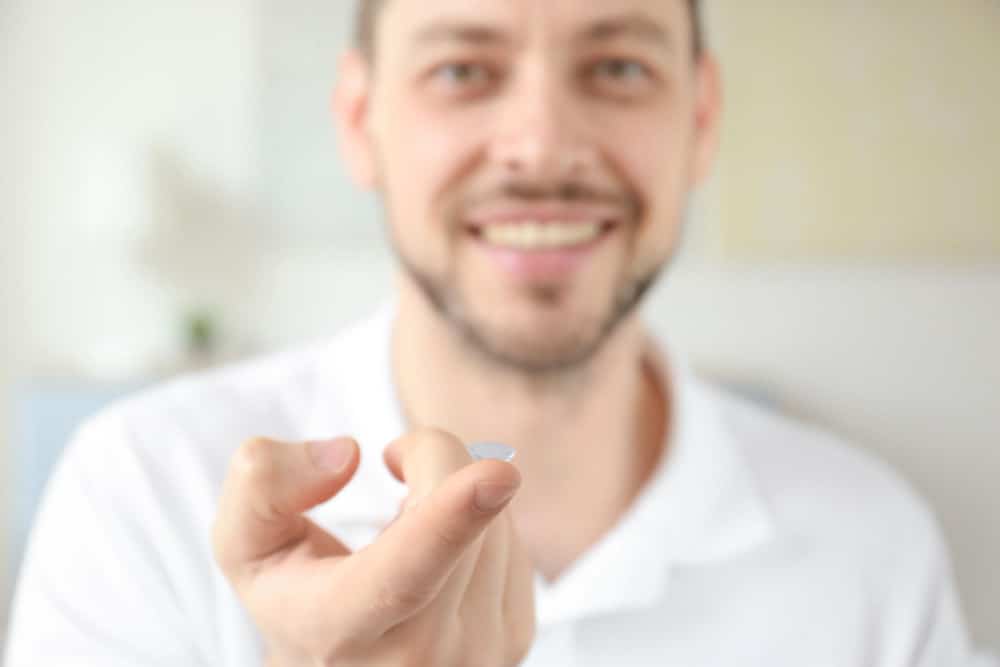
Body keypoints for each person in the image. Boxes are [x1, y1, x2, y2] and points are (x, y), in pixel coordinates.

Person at [5, 1, 995, 665]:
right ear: (360, 121)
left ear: (699, 120)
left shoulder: (874, 547)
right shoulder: (142, 491)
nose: (542, 145)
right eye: (463, 70)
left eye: (615, 65)